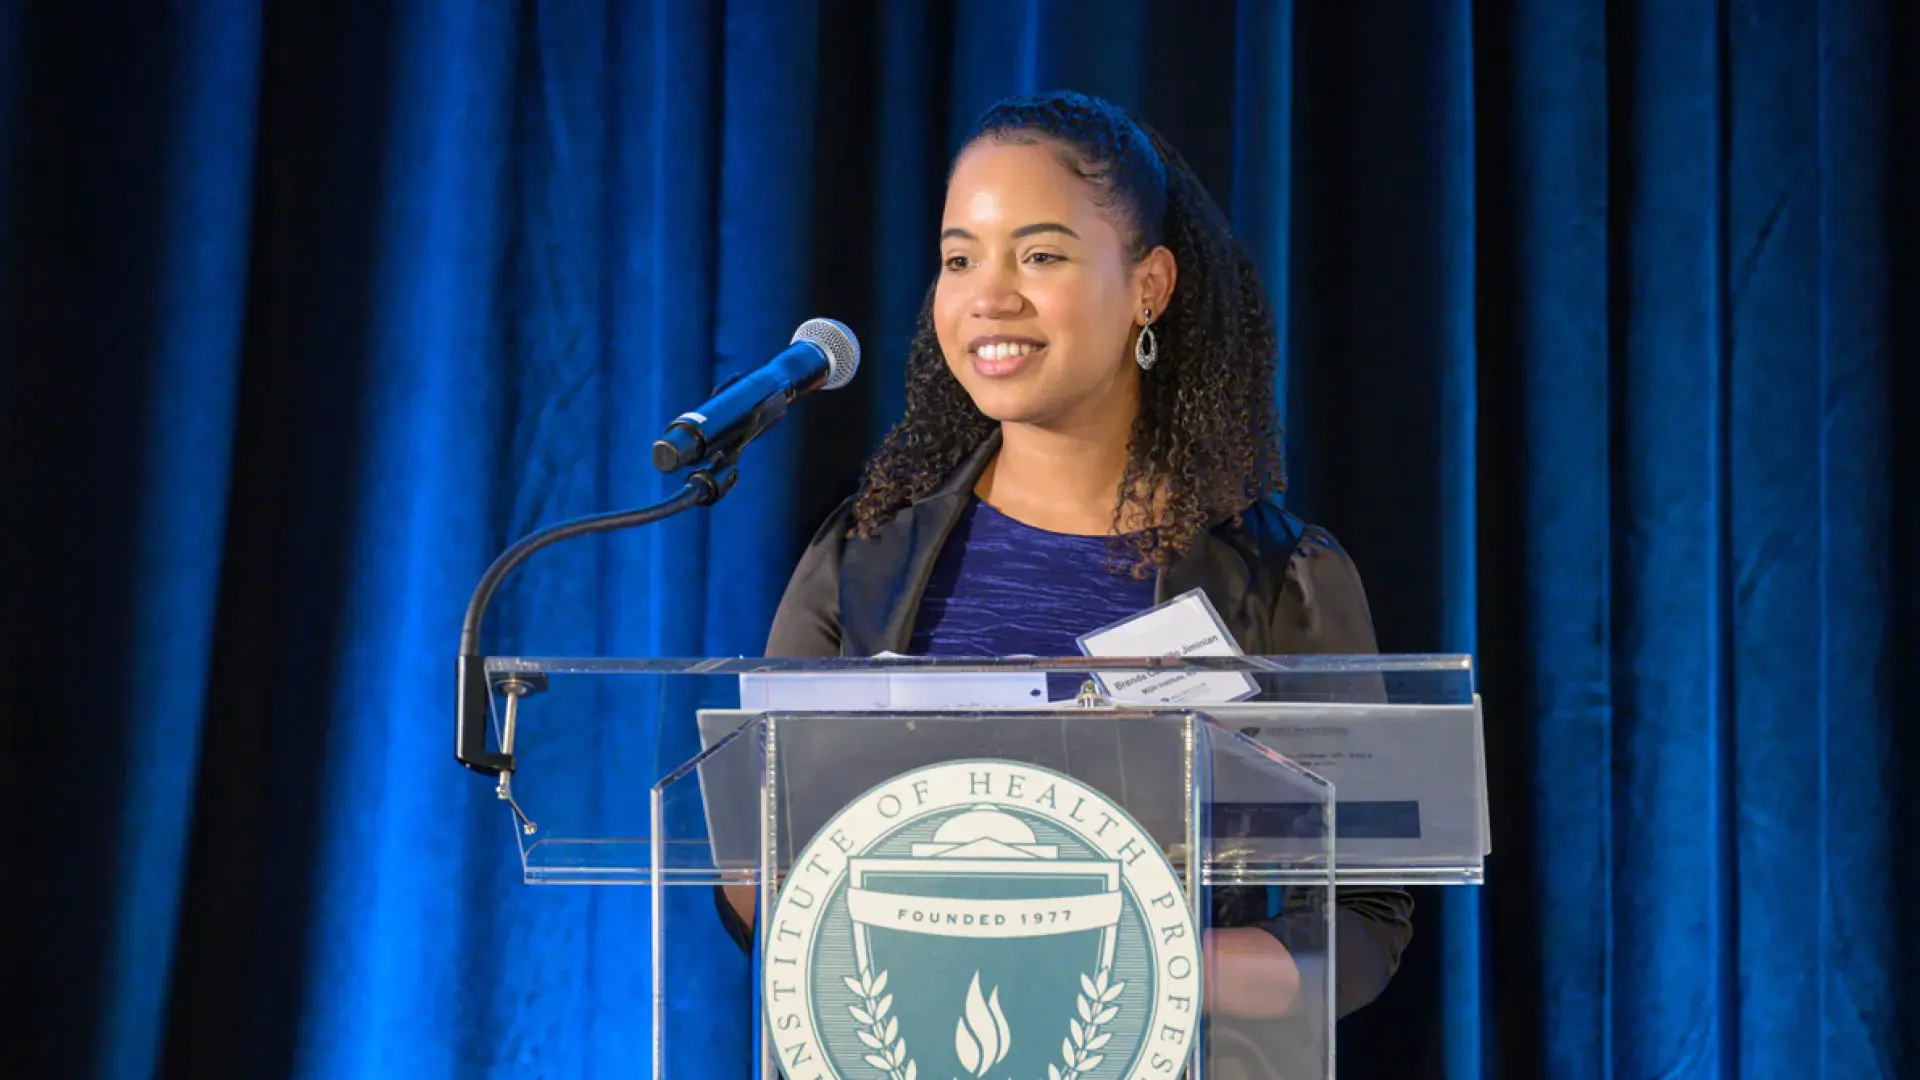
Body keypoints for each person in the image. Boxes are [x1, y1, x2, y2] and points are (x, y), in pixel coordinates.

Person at [718, 89, 1411, 1035]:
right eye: (960, 258)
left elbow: (1362, 925)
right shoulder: (864, 556)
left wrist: (1146, 955)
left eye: (1040, 255)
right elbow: (754, 871)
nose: (989, 295)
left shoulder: (1278, 580)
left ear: (1148, 287)